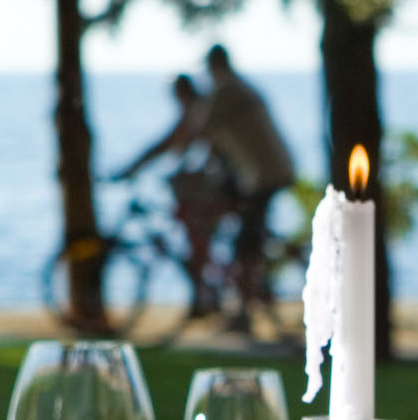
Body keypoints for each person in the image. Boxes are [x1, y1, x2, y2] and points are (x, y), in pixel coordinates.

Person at [197, 45, 297, 329]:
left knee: (246, 244)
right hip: (265, 172)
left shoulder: (226, 91)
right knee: (245, 232)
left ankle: (242, 310)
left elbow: (194, 132)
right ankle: (245, 295)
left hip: (262, 176)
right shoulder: (240, 87)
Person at [119, 75, 230, 319]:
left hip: (224, 185)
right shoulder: (199, 112)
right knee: (193, 232)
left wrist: (130, 169)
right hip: (220, 183)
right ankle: (205, 293)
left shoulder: (198, 114)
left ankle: (206, 293)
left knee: (194, 229)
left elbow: (167, 144)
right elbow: (175, 147)